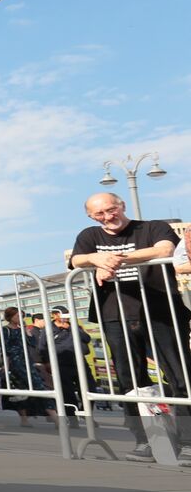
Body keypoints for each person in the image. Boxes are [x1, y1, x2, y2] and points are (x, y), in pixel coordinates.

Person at [70, 192, 190, 462]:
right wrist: (95, 259)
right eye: (100, 214)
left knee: (180, 375)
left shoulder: (153, 227)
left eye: (111, 209)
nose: (108, 217)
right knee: (132, 382)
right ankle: (149, 441)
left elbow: (165, 250)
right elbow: (76, 260)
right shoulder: (89, 235)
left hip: (162, 312)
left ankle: (189, 441)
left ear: (122, 206)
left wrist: (115, 259)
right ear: (91, 216)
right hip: (115, 315)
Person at [0, 306, 55, 426]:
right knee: (20, 392)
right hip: (15, 364)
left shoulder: (22, 329)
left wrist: (26, 330)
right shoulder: (5, 330)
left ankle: (54, 417)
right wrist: (6, 364)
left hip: (27, 362)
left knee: (39, 387)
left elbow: (33, 343)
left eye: (22, 316)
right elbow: (4, 348)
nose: (20, 318)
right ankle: (24, 419)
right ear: (10, 317)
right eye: (17, 316)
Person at [48, 305, 92, 417]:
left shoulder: (74, 326)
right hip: (62, 364)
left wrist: (71, 328)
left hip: (80, 363)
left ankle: (86, 413)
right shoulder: (49, 328)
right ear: (54, 315)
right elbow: (43, 346)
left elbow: (87, 338)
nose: (65, 316)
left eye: (66, 313)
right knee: (67, 393)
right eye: (62, 314)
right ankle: (72, 418)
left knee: (90, 388)